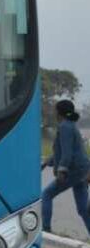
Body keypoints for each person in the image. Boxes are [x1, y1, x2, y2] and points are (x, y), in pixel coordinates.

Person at [41, 99, 90, 236]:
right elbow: (62, 151)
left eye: (55, 110)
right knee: (83, 208)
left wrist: (62, 170)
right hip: (83, 170)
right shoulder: (70, 125)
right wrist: (46, 163)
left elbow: (67, 153)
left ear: (59, 112)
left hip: (74, 171)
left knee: (46, 194)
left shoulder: (64, 127)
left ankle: (46, 229)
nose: (54, 112)